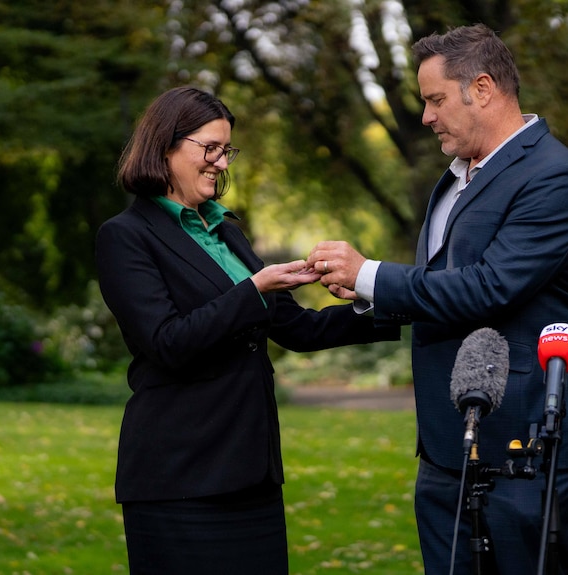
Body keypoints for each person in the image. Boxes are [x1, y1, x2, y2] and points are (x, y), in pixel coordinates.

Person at [306, 23, 568, 575]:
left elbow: (491, 287)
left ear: (483, 88)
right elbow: (442, 282)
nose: (426, 116)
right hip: (446, 442)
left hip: (523, 442)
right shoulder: (455, 176)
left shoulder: (553, 176)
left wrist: (371, 273)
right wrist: (367, 293)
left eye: (435, 99)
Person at [95, 86, 399, 574]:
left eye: (226, 149)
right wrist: (254, 289)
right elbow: (166, 343)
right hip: (178, 477)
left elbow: (299, 330)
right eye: (208, 148)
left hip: (250, 474)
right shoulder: (126, 237)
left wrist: (394, 299)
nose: (220, 161)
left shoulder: (226, 231)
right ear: (165, 146)